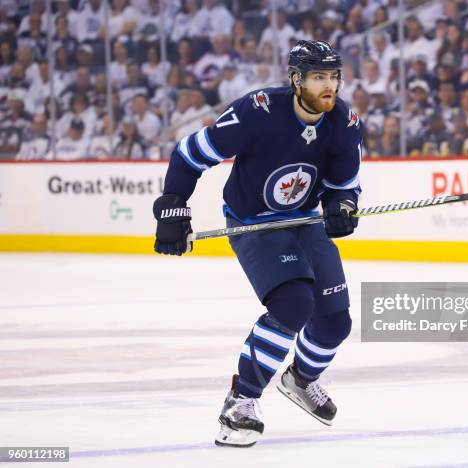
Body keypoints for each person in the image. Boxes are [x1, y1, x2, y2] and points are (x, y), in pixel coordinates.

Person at [152, 40, 362, 447]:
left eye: (333, 76)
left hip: (303, 219)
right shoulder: (257, 112)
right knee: (294, 304)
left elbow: (344, 185)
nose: (329, 86)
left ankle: (301, 379)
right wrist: (173, 205)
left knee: (336, 322)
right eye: (319, 76)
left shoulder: (345, 122)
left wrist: (343, 206)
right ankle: (241, 402)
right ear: (297, 79)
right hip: (254, 222)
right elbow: (190, 154)